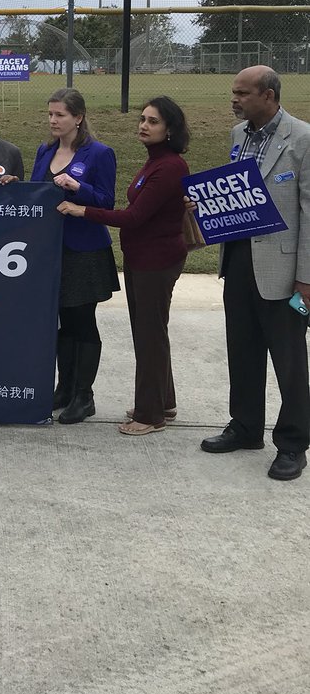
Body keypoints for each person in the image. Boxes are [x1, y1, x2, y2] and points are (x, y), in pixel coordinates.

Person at [201, 66, 310, 481]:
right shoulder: (238, 135)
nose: (234, 99)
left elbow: (309, 214)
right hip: (239, 261)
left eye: (241, 93)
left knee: (289, 361)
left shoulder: (302, 139)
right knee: (242, 351)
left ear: (268, 95)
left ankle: (293, 444)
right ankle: (246, 427)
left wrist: (306, 276)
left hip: (284, 268)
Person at [58, 96, 190, 436]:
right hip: (144, 259)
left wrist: (81, 210)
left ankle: (150, 415)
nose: (144, 126)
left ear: (170, 129)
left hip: (155, 261)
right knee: (152, 332)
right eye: (143, 119)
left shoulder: (170, 166)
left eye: (153, 121)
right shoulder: (155, 162)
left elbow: (134, 217)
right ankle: (164, 402)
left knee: (149, 336)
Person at [31, 88, 119, 423]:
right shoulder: (45, 150)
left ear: (78, 118)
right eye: (50, 114)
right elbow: (37, 190)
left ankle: (85, 395)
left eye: (60, 115)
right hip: (50, 249)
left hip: (84, 251)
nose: (53, 121)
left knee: (82, 322)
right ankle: (64, 387)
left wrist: (77, 188)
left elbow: (106, 201)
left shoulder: (98, 153)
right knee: (61, 322)